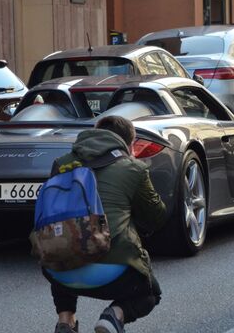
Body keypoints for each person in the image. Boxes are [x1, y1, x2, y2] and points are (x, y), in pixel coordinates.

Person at [43, 116, 167, 333]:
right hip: (112, 274)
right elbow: (156, 217)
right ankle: (114, 316)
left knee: (66, 241)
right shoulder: (133, 168)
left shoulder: (61, 164)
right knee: (150, 293)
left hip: (58, 273)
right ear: (130, 144)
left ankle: (66, 320)